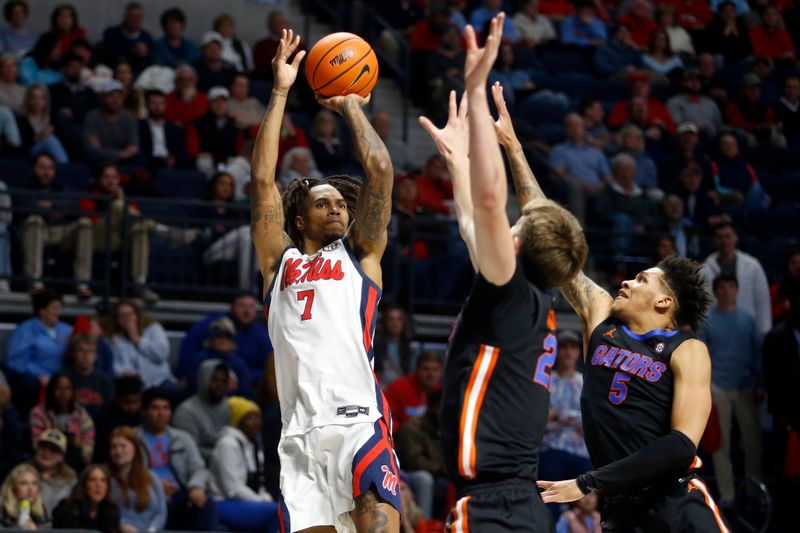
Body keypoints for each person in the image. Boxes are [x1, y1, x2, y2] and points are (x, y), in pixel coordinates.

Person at [418, 17, 587, 529]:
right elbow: (474, 223)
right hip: (514, 499)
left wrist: (474, 89)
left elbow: (489, 205)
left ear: (515, 244)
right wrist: (456, 161)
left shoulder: (512, 293)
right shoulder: (528, 301)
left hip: (495, 505)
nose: (505, 225)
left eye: (514, 224)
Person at [251, 29, 401, 531]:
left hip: (358, 423)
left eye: (340, 203)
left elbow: (379, 167)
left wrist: (350, 104)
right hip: (298, 436)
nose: (337, 207)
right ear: (299, 221)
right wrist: (279, 91)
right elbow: (260, 180)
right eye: (323, 203)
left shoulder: (361, 254)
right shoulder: (280, 265)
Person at [532, 169, 725, 530]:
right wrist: (512, 149)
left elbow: (682, 445)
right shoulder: (601, 321)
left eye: (642, 280)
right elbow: (548, 235)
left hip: (675, 503)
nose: (627, 281)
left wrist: (588, 481)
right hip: (620, 510)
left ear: (665, 301)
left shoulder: (686, 349)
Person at [699, 274, 762, 506]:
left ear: (736, 290)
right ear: (716, 291)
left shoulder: (748, 320)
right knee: (720, 442)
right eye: (722, 287)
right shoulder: (708, 320)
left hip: (746, 386)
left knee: (752, 442)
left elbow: (757, 354)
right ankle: (728, 494)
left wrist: (759, 384)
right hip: (718, 386)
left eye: (730, 286)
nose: (726, 291)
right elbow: (702, 353)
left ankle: (755, 491)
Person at [135, 388, 218, 531]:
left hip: (179, 494)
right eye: (155, 408)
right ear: (144, 411)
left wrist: (195, 487)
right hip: (146, 495)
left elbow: (198, 468)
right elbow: (126, 472)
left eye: (166, 408)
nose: (161, 414)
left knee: (205, 503)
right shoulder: (133, 438)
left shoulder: (182, 438)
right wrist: (154, 484)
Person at [16, 153, 93, 295]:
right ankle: (34, 281)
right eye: (42, 168)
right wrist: (56, 208)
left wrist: (49, 205)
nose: (47, 172)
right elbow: (26, 205)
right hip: (35, 232)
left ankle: (82, 283)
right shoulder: (24, 188)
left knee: (84, 224)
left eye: (50, 168)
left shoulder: (61, 188)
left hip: (61, 231)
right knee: (35, 221)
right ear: (33, 169)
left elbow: (73, 205)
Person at [539, 331, 592, 521]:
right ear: (556, 351)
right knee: (549, 502)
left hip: (580, 451)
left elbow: (590, 421)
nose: (568, 352)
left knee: (590, 500)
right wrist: (574, 418)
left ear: (578, 351)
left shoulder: (585, 382)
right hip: (551, 449)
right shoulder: (544, 381)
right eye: (563, 347)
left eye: (573, 347)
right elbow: (539, 419)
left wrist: (557, 416)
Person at [210, 397, 278, 532]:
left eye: (258, 417)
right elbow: (232, 489)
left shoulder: (253, 444)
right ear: (238, 421)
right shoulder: (227, 444)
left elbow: (259, 479)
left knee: (281, 511)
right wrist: (260, 501)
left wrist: (264, 496)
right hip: (223, 502)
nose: (256, 423)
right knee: (276, 512)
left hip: (245, 502)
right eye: (249, 418)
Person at [178, 293, 272, 383]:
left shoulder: (261, 335)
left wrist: (246, 378)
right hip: (209, 383)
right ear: (232, 308)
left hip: (246, 386)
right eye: (242, 306)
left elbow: (269, 367)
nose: (246, 311)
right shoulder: (214, 323)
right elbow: (189, 349)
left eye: (251, 307)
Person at [5, 288, 72, 413]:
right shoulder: (25, 330)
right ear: (42, 310)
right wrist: (39, 375)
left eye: (60, 308)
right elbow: (16, 361)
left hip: (62, 376)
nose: (58, 312)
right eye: (54, 308)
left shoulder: (66, 329)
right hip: (35, 379)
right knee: (28, 384)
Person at [702, 221, 772, 335]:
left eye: (728, 236)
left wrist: (765, 331)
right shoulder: (704, 270)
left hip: (747, 329)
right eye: (720, 237)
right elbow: (702, 307)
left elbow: (762, 301)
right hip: (716, 331)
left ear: (736, 238)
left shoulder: (753, 266)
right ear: (714, 240)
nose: (724, 241)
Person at [394, 390, 448, 519]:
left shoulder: (447, 427)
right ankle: (424, 524)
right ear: (431, 407)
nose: (443, 412)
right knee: (424, 479)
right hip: (407, 474)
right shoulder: (413, 427)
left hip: (439, 475)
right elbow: (414, 461)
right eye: (440, 407)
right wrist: (442, 469)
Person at [549, 113, 612, 224]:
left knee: (614, 189)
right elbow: (557, 176)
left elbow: (608, 178)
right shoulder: (560, 150)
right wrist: (582, 185)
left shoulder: (596, 152)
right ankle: (579, 230)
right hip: (574, 187)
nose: (573, 129)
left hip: (597, 189)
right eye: (570, 126)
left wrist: (598, 187)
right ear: (566, 129)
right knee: (574, 186)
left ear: (584, 128)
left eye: (577, 125)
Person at [30, 371, 95, 471]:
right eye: (58, 388)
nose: (63, 393)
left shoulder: (82, 416)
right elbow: (35, 445)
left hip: (73, 462)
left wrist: (77, 444)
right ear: (51, 390)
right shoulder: (38, 413)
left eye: (68, 388)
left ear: (73, 392)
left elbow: (88, 453)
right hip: (46, 460)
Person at [108, 426, 167, 533]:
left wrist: (151, 530)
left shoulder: (152, 477)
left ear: (135, 448)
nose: (118, 451)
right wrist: (121, 526)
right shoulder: (107, 479)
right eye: (114, 447)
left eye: (123, 446)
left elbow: (161, 512)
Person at [109, 300, 177, 391]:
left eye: (129, 314)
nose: (126, 318)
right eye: (122, 316)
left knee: (172, 390)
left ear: (137, 315)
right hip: (132, 383)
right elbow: (115, 362)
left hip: (160, 380)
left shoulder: (154, 328)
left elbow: (162, 354)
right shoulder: (115, 338)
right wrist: (126, 372)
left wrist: (138, 340)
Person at [172, 360, 231, 464]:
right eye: (214, 380)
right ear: (203, 379)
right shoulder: (186, 411)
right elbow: (189, 451)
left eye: (224, 381)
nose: (219, 385)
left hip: (228, 462)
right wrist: (224, 455)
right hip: (199, 466)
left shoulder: (229, 406)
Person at [183, 317, 251, 396]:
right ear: (211, 339)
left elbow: (245, 390)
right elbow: (192, 387)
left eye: (227, 337)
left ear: (233, 342)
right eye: (219, 336)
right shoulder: (200, 360)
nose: (223, 340)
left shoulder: (239, 364)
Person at [82, 79, 141, 166]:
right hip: (102, 160)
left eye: (119, 97)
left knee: (140, 157)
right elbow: (94, 148)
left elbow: (134, 146)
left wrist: (122, 154)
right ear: (103, 98)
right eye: (111, 96)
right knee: (92, 154)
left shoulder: (128, 117)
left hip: (124, 159)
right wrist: (120, 154)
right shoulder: (92, 116)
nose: (115, 100)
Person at [64, 332, 115, 425]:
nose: (85, 355)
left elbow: (110, 411)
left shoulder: (105, 381)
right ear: (73, 354)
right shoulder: (63, 378)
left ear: (96, 356)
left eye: (90, 351)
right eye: (81, 351)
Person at [52, 464, 121, 533]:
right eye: (93, 480)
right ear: (84, 485)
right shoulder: (67, 510)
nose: (99, 485)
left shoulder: (112, 511)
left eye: (103, 480)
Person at [384, 352, 442, 430]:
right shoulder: (398, 388)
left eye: (435, 369)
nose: (430, 375)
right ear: (417, 370)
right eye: (426, 369)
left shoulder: (442, 394)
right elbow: (385, 418)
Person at [138, 89, 189, 174]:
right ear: (146, 105)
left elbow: (181, 151)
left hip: (171, 163)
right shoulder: (139, 126)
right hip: (149, 163)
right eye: (153, 103)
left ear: (165, 106)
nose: (157, 107)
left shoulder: (174, 128)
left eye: (161, 103)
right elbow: (140, 150)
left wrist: (173, 159)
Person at [28, 428, 77, 515]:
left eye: (53, 449)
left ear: (61, 456)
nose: (47, 452)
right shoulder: (22, 475)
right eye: (43, 447)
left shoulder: (71, 481)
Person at [16, 83, 69, 163]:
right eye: (34, 97)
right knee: (50, 140)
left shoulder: (53, 118)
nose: (37, 101)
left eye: (41, 98)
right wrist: (39, 137)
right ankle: (65, 168)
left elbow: (62, 141)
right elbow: (19, 146)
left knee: (52, 140)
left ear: (46, 101)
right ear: (28, 99)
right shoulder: (21, 120)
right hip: (31, 154)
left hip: (51, 155)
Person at [100, 2, 153, 74]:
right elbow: (108, 57)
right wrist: (132, 51)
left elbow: (150, 64)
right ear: (125, 17)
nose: (135, 20)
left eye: (139, 17)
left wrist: (143, 56)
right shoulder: (111, 34)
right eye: (132, 16)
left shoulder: (146, 37)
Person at [373, 306, 416, 386]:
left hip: (403, 388)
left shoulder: (410, 349)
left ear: (404, 323)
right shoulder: (375, 346)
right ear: (384, 322)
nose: (394, 323)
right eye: (390, 319)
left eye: (399, 319)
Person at [0, 463, 49, 528]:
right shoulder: (2, 509)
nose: (30, 489)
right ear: (13, 487)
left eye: (34, 483)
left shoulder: (42, 511)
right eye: (24, 483)